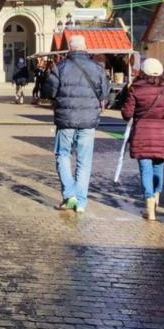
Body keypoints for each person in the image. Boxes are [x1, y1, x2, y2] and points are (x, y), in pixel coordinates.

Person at [43, 35, 110, 213]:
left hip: (65, 120)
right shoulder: (97, 68)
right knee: (84, 161)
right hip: (88, 120)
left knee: (62, 155)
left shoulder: (60, 67)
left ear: (69, 49)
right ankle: (80, 202)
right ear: (85, 47)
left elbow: (49, 91)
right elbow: (105, 93)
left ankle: (69, 194)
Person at [121, 58, 164, 221]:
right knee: (158, 167)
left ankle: (149, 206)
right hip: (162, 134)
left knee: (145, 169)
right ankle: (156, 197)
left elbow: (127, 113)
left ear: (143, 72)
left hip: (142, 134)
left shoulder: (136, 89)